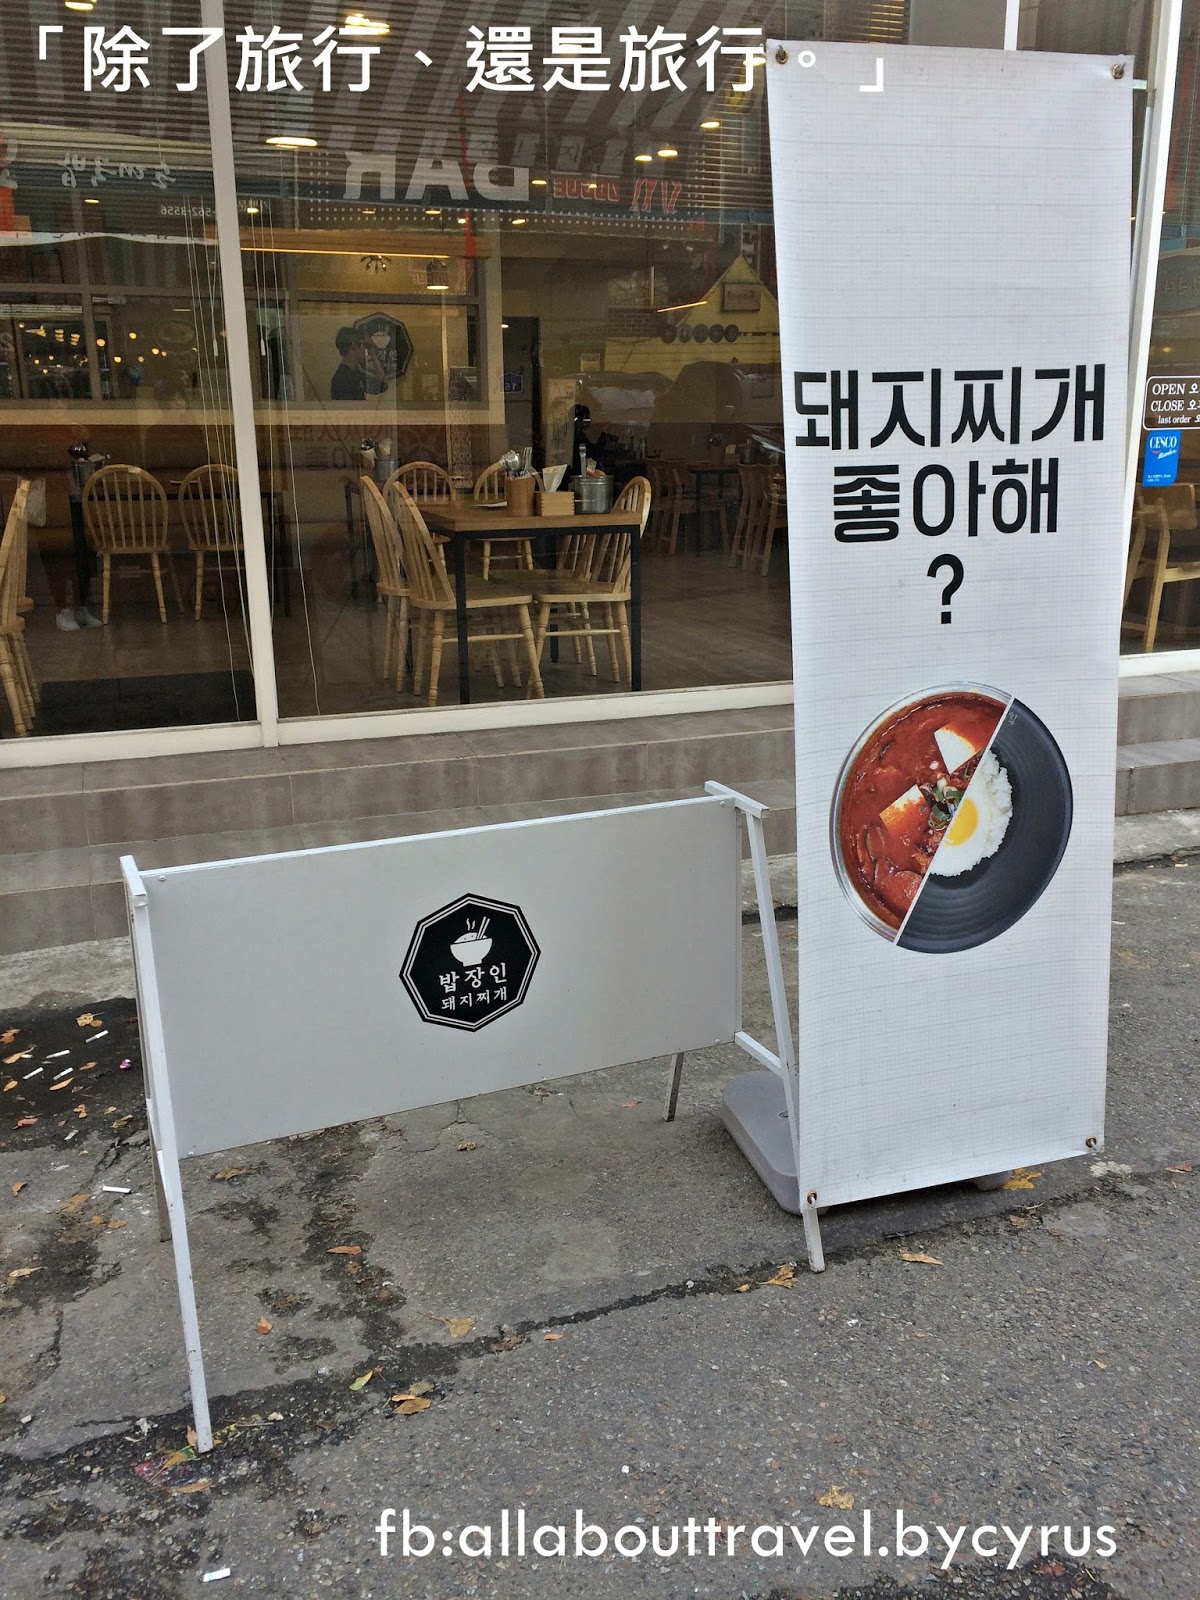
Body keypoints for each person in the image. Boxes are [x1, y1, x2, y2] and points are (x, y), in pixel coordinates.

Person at [330, 327, 387, 401]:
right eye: (364, 345)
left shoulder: (356, 373)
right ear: (353, 346)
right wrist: (372, 353)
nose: (365, 350)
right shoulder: (342, 379)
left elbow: (382, 385)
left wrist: (372, 352)